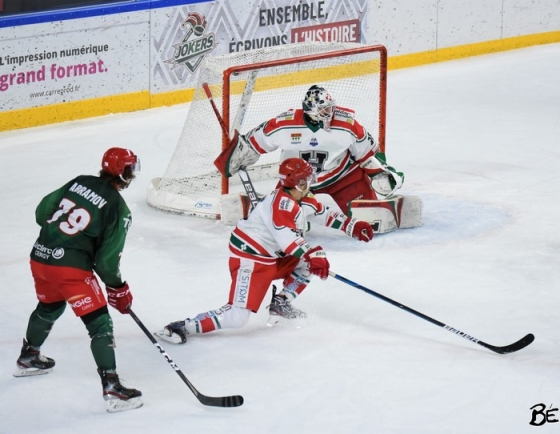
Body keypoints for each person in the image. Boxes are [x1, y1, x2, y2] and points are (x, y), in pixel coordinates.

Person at [157, 158, 374, 344]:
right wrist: (312, 253)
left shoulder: (300, 197)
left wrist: (351, 225)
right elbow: (287, 239)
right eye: (305, 179)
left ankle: (280, 303)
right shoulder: (281, 204)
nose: (309, 182)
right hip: (251, 261)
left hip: (272, 256)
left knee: (307, 264)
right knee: (237, 317)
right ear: (295, 182)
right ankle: (182, 326)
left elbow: (322, 213)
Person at [15, 148, 143, 413]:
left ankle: (28, 357)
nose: (134, 174)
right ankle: (112, 387)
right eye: (131, 168)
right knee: (100, 325)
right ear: (123, 172)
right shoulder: (119, 208)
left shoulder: (79, 181)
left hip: (40, 257)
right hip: (70, 270)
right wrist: (118, 288)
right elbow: (107, 263)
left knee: (50, 306)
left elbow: (42, 213)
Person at [214, 85, 405, 215]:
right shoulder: (283, 125)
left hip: (343, 178)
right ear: (309, 111)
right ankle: (275, 208)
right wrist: (236, 156)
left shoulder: (348, 125)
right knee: (284, 221)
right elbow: (253, 143)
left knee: (368, 218)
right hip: (296, 183)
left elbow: (369, 154)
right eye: (323, 110)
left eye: (330, 107)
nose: (329, 113)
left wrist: (381, 173)